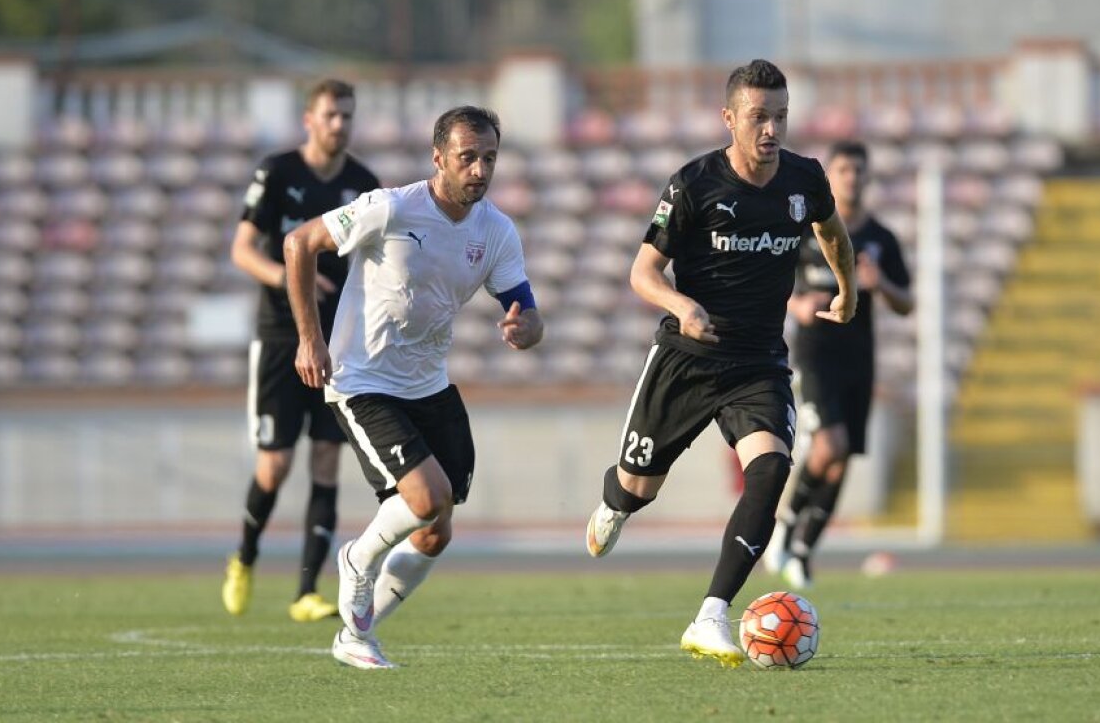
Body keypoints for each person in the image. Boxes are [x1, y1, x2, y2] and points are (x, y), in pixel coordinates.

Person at [584, 59, 857, 667]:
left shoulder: (804, 177)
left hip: (757, 363)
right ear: (729, 118)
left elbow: (831, 231)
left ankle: (711, 614)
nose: (771, 130)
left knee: (771, 468)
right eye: (759, 117)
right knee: (637, 487)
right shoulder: (693, 185)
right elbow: (643, 273)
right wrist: (682, 306)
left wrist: (849, 289)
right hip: (687, 358)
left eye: (780, 117)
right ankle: (616, 502)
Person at [283, 105, 543, 669]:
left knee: (434, 533)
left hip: (428, 385)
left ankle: (356, 635)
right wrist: (309, 340)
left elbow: (527, 309)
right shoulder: (391, 208)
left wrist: (527, 328)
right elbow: (299, 244)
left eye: (489, 158)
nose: (480, 170)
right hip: (363, 381)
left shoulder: (496, 231)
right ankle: (357, 558)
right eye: (467, 157)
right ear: (438, 157)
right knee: (426, 500)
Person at [222, 79, 381, 622]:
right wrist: (295, 278)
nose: (340, 124)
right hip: (279, 337)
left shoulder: (363, 185)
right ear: (309, 120)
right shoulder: (277, 172)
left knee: (327, 459)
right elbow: (242, 250)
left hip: (336, 342)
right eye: (331, 115)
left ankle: (307, 591)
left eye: (347, 116)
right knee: (275, 464)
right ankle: (244, 557)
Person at [766, 140, 913, 589]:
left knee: (842, 456)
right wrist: (796, 305)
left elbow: (906, 303)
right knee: (830, 446)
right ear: (830, 176)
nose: (852, 178)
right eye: (844, 170)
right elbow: (771, 279)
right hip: (815, 352)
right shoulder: (805, 230)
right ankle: (785, 526)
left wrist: (879, 282)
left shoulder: (880, 239)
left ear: (868, 177)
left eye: (859, 170)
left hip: (859, 355)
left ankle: (804, 552)